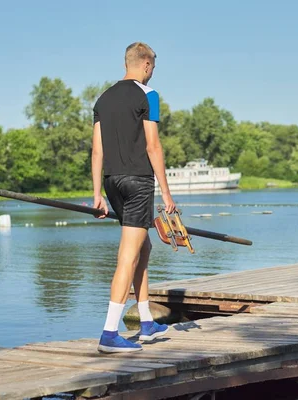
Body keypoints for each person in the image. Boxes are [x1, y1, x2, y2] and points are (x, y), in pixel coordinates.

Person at [91, 42, 176, 353]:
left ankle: (146, 321)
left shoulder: (103, 98)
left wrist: (97, 192)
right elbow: (153, 146)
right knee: (127, 256)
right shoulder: (148, 95)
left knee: (144, 246)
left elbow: (97, 149)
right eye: (152, 68)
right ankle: (109, 333)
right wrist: (166, 192)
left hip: (113, 182)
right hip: (139, 181)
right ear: (146, 65)